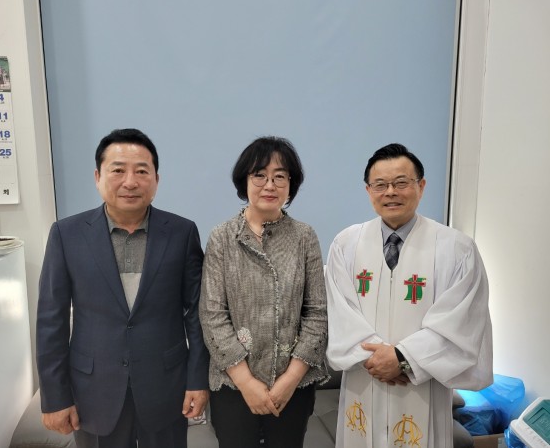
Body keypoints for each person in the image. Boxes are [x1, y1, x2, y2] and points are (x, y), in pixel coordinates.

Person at [36, 128, 209, 448]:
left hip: (166, 386)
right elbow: (51, 320)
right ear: (98, 177)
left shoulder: (182, 232)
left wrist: (198, 380)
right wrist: (55, 397)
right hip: (93, 390)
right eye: (118, 170)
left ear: (156, 179)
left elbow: (197, 313)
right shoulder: (66, 234)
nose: (130, 181)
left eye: (141, 171)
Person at [326, 143, 493, 448]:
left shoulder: (456, 249)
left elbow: (461, 322)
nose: (391, 192)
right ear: (368, 191)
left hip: (421, 383)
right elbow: (340, 312)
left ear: (421, 186)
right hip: (364, 377)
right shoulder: (346, 245)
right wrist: (377, 360)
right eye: (380, 184)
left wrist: (403, 358)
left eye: (401, 182)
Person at [199, 136, 328, 448]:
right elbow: (213, 315)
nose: (269, 185)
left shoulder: (304, 237)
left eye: (280, 176)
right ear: (244, 181)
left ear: (290, 185)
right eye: (260, 175)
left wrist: (290, 380)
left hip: (293, 385)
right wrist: (246, 382)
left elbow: (317, 314)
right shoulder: (222, 237)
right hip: (233, 385)